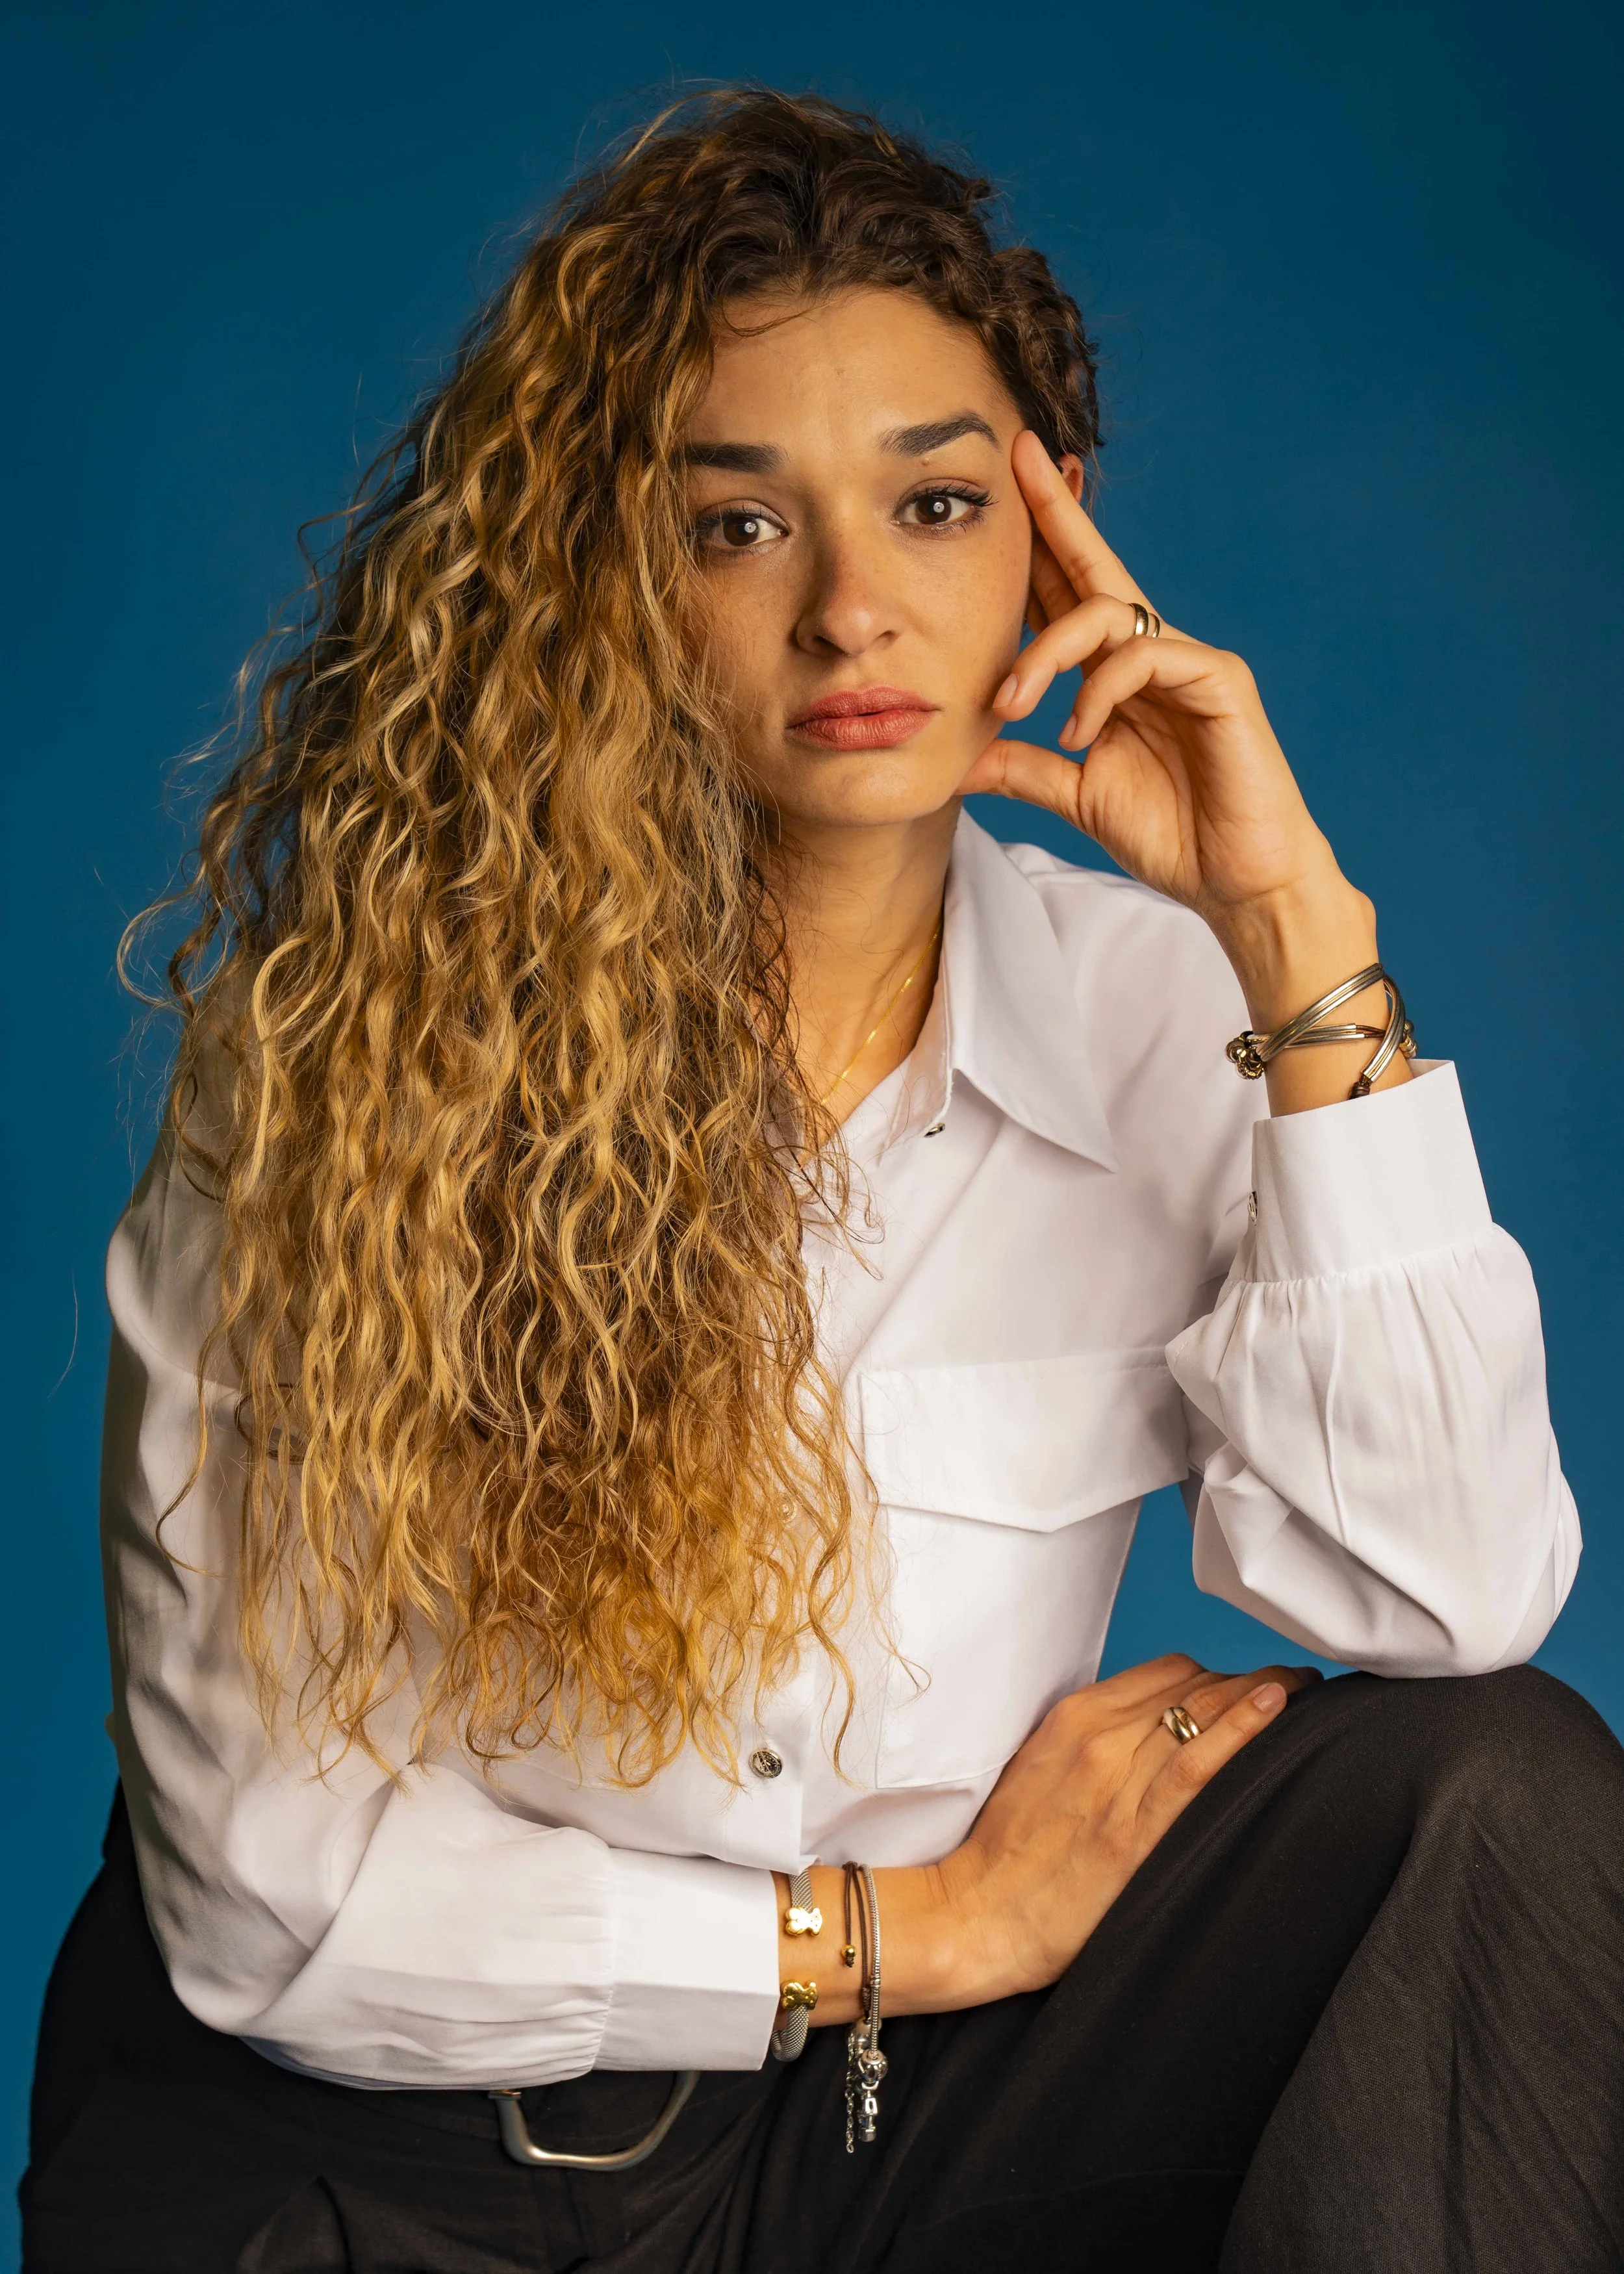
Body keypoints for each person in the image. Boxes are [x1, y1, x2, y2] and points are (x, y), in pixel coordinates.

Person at [21, 87, 1623, 2274]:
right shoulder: (351, 1069)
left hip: (868, 2150)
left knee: (1494, 1788)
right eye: (737, 526)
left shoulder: (1168, 1015)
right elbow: (270, 1903)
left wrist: (1299, 938)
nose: (856, 608)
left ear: (1051, 552)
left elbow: (1450, 1602)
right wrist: (899, 1929)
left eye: (938, 503)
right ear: (602, 577)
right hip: (364, 2168)